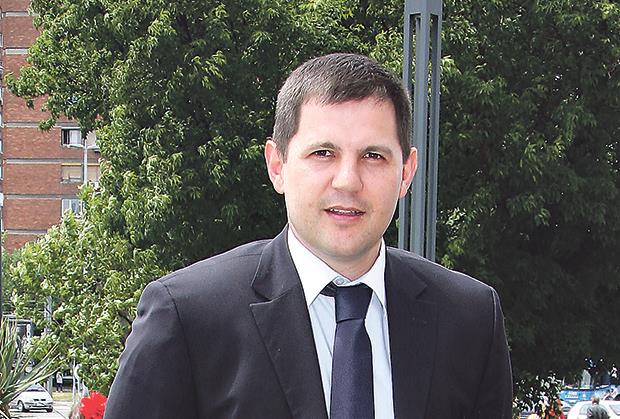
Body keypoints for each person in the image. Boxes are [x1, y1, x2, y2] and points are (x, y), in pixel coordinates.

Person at [105, 53, 512, 418]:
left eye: (373, 156)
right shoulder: (188, 317)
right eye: (323, 153)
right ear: (277, 165)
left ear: (406, 172)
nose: (348, 180)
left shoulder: (470, 319)